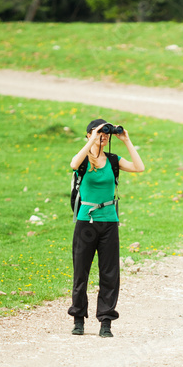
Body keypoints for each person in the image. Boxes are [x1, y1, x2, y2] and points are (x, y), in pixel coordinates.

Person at [68, 118, 145, 337]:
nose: (103, 137)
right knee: (81, 270)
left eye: (105, 134)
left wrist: (127, 140)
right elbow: (73, 164)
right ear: (89, 135)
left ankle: (106, 322)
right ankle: (78, 319)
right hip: (86, 222)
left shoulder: (112, 160)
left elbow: (139, 167)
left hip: (109, 222)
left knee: (110, 273)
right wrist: (92, 139)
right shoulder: (83, 160)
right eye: (98, 133)